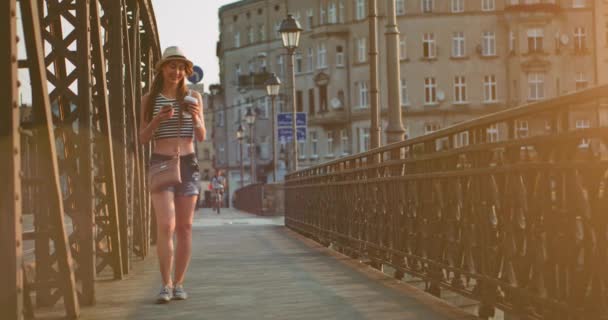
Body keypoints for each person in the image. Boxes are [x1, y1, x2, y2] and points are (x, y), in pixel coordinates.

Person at [139, 46, 206, 303]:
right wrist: (157, 119)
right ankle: (165, 285)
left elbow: (201, 136)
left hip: (188, 163)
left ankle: (179, 284)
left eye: (181, 67)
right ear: (162, 69)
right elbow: (143, 137)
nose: (176, 72)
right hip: (161, 162)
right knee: (166, 225)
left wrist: (197, 118)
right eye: (171, 66)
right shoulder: (149, 99)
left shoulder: (194, 97)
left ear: (186, 71)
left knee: (185, 227)